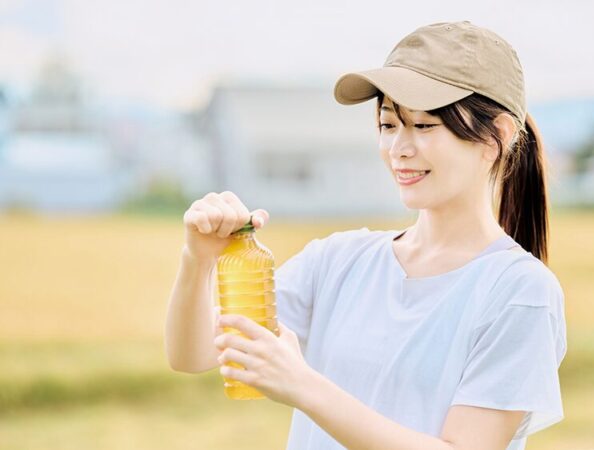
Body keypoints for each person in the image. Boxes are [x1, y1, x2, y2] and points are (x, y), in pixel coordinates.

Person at [165, 20, 567, 450]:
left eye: (424, 126)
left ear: (497, 137)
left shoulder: (519, 291)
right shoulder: (338, 260)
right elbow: (193, 356)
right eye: (389, 125)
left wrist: (304, 386)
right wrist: (198, 261)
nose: (399, 148)